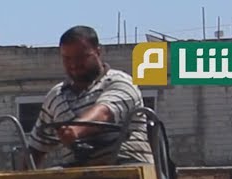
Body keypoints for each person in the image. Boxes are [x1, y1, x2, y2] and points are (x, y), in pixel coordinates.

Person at [27, 25, 154, 168]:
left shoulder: (120, 82)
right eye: (67, 59)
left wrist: (75, 131)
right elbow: (36, 148)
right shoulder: (55, 97)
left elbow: (105, 112)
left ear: (98, 52)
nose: (74, 64)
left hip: (127, 166)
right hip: (77, 173)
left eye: (81, 57)